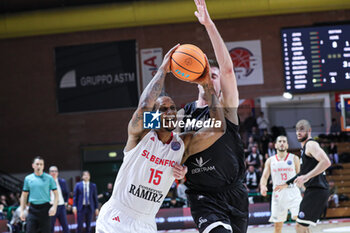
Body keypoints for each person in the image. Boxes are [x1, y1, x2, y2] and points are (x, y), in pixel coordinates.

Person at [96, 44, 226, 233]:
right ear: (153, 117)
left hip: (146, 223)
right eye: (163, 109)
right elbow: (144, 105)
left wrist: (207, 84)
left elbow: (219, 128)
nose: (170, 112)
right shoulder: (140, 135)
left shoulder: (183, 143)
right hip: (117, 217)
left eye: (173, 108)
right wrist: (163, 70)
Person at [174, 0, 248, 232]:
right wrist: (176, 167)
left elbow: (227, 69)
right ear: (195, 77)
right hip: (202, 195)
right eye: (207, 74)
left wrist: (208, 24)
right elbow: (161, 141)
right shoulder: (181, 114)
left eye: (214, 75)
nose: (211, 78)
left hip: (235, 192)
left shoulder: (227, 107)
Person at [275, 120, 331, 233]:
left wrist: (306, 177)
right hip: (314, 191)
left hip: (317, 191)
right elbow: (302, 173)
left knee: (300, 227)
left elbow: (326, 162)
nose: (298, 132)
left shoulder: (311, 144)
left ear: (309, 130)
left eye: (302, 129)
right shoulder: (305, 149)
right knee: (303, 227)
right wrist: (286, 184)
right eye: (297, 130)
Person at [260, 135, 302, 233]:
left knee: (301, 222)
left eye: (284, 141)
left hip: (293, 192)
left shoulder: (294, 158)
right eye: (280, 141)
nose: (282, 143)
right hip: (278, 194)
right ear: (275, 145)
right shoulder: (270, 160)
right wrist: (263, 186)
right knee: (278, 227)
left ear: (287, 145)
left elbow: (300, 175)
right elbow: (265, 176)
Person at [20, 156, 58, 233]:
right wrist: (22, 211)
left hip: (45, 209)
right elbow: (24, 195)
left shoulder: (49, 178)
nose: (39, 166)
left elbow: (56, 194)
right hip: (32, 209)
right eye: (37, 164)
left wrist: (54, 207)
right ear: (33, 165)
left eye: (41, 164)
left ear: (43, 166)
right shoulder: (28, 178)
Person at [49, 166, 70, 233]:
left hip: (61, 206)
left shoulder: (62, 181)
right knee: (50, 227)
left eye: (55, 171)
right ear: (49, 173)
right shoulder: (46, 182)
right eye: (52, 171)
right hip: (51, 206)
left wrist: (66, 202)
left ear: (57, 173)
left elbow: (67, 193)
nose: (54, 172)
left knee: (65, 226)